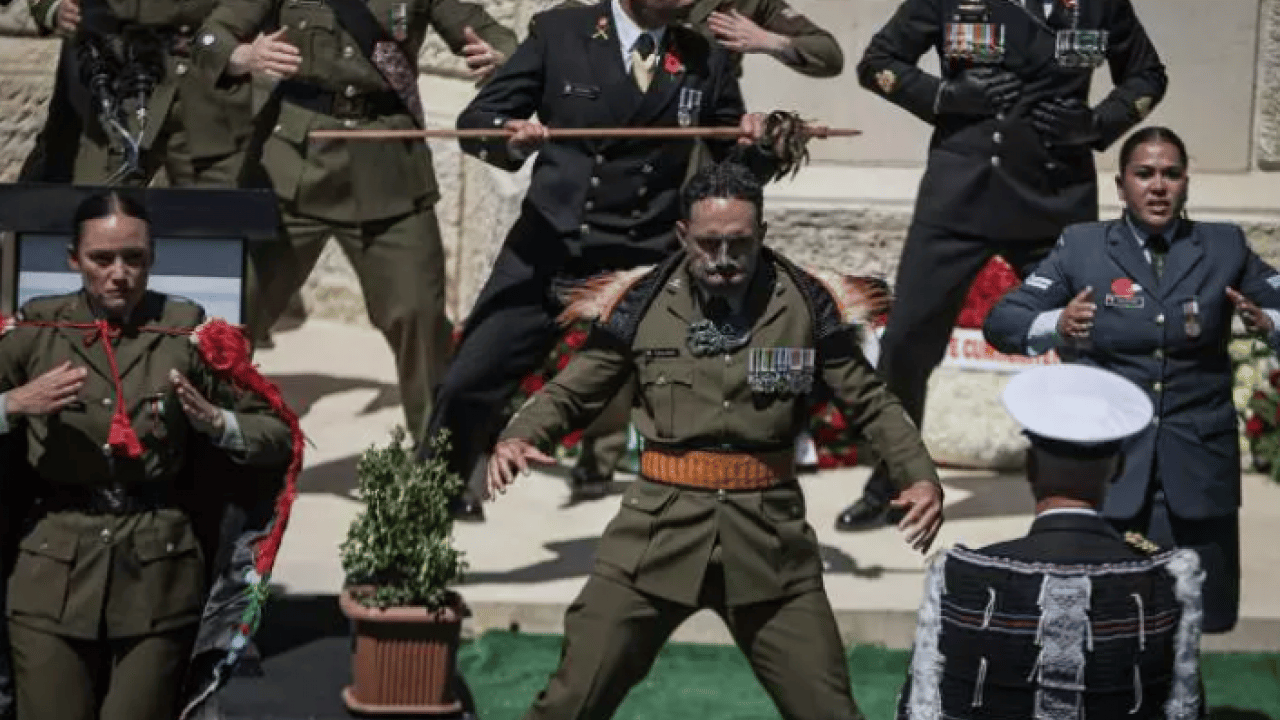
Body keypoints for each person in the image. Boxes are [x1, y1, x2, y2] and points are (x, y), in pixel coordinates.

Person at [485, 161, 942, 719]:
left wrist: (917, 474)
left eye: (739, 244)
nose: (724, 258)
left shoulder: (808, 303)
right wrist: (520, 435)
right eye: (708, 243)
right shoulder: (641, 301)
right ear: (683, 235)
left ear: (763, 234)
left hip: (768, 547)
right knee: (570, 703)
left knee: (829, 712)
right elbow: (573, 390)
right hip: (656, 538)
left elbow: (870, 400)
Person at [428, 0, 797, 521]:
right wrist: (511, 139)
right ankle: (425, 512)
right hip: (550, 249)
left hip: (640, 266)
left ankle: (710, 528)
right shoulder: (560, 32)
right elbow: (478, 121)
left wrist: (762, 148)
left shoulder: (704, 57)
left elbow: (726, 172)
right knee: (467, 383)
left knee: (699, 397)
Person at [835, 0, 1168, 532]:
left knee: (1091, 343)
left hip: (1055, 198)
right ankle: (892, 484)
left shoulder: (1098, 5)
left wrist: (1097, 123)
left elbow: (1147, 74)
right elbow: (878, 63)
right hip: (959, 199)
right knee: (907, 344)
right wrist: (944, 97)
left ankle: (1110, 485)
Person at [0, 191, 303, 720]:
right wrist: (13, 404)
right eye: (101, 259)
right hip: (51, 569)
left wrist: (219, 423)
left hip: (158, 574)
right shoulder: (35, 332)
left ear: (152, 258)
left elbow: (277, 432)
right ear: (73, 260)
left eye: (134, 258)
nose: (119, 274)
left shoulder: (187, 333)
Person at [983, 125, 1280, 634]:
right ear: (1121, 187)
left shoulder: (1223, 245)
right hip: (1110, 474)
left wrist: (1269, 322)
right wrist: (1057, 324)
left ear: (1186, 184)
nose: (1158, 186)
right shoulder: (1082, 247)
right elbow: (1002, 321)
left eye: (1171, 174)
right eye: (1144, 174)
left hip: (1198, 473)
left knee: (1197, 621)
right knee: (1109, 622)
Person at [191, 0, 517, 446]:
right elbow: (213, 35)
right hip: (292, 169)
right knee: (234, 309)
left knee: (419, 314)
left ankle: (438, 457)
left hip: (389, 170)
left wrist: (501, 57)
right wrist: (243, 56)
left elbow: (490, 33)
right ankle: (209, 439)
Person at [565, 0, 844, 501]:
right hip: (632, 162)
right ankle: (600, 454)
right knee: (622, 313)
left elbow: (828, 54)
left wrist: (767, 40)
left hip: (701, 166)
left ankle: (705, 445)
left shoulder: (744, 4)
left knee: (707, 317)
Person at [895, 363, 1205, 719]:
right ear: (1119, 468)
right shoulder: (1167, 580)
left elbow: (920, 708)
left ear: (1030, 467)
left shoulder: (960, 575)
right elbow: (1185, 709)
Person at [24, 0, 258, 187]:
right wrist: (52, 8)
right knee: (96, 208)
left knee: (217, 215)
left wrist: (221, 37)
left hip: (207, 77)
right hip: (119, 77)